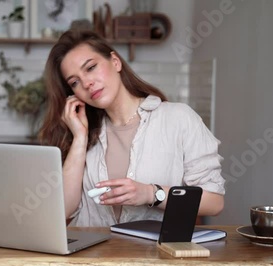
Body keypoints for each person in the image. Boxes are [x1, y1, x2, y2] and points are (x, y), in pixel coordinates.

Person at [39, 30, 225, 227]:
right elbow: (63, 211)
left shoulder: (178, 119)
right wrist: (79, 138)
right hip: (91, 256)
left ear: (115, 62)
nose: (86, 83)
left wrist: (151, 193)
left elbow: (214, 202)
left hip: (153, 256)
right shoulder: (83, 132)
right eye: (74, 82)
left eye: (91, 67)